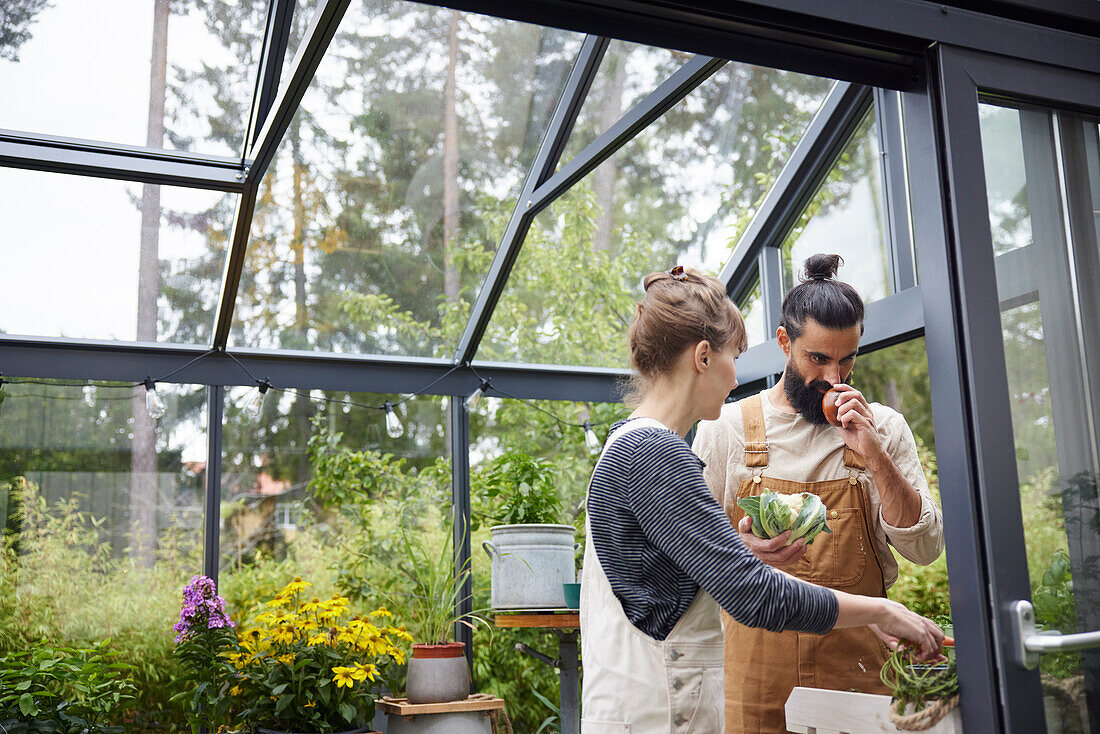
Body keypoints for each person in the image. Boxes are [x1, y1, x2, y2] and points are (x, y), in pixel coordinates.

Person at [580, 265, 944, 733]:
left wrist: (736, 551)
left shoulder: (629, 442)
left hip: (650, 707)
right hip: (658, 711)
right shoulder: (656, 452)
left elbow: (654, 586)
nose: (736, 378)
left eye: (847, 359)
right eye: (736, 355)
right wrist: (880, 609)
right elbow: (753, 595)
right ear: (704, 357)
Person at [692, 253, 946, 734]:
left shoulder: (884, 428)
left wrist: (873, 452)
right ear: (786, 343)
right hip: (754, 679)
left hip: (858, 673)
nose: (834, 377)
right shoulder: (726, 429)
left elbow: (925, 547)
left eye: (847, 359)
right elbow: (695, 559)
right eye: (819, 359)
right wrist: (744, 549)